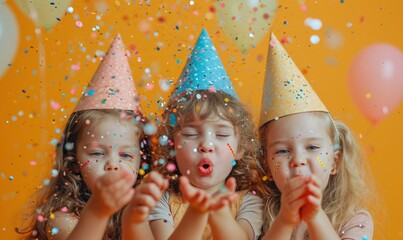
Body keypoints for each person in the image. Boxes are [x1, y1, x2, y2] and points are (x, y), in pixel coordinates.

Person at [122, 29, 267, 240]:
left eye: (221, 134)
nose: (206, 144)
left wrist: (217, 211)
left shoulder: (249, 201)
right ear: (172, 145)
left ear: (240, 149)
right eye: (190, 134)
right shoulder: (162, 200)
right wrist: (197, 211)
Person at [18, 34, 150, 240]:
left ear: (143, 159)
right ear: (73, 159)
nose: (112, 164)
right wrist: (97, 210)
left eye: (125, 155)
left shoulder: (147, 211)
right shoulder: (61, 217)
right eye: (97, 153)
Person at [258, 33, 374, 240]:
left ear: (334, 162)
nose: (297, 161)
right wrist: (284, 219)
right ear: (268, 166)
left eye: (312, 148)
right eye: (283, 151)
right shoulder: (257, 209)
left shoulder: (354, 219)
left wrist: (315, 216)